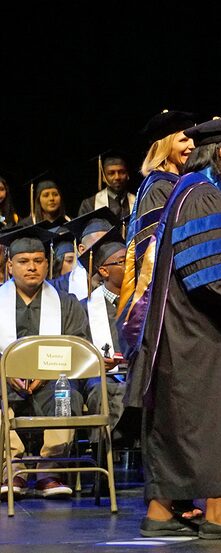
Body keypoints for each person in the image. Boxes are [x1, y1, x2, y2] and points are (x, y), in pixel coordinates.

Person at [124, 117, 221, 540]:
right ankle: (217, 514)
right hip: (199, 330)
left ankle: (159, 512)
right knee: (211, 417)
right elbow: (217, 278)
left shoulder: (185, 191)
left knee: (175, 420)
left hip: (176, 328)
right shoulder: (203, 196)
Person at [0, 224, 89, 499]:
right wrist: (6, 372)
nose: (31, 267)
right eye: (23, 262)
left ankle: (48, 470)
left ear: (47, 265)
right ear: (9, 266)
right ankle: (12, 469)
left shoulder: (66, 303)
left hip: (53, 383)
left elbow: (79, 349)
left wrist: (46, 373)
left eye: (38, 261)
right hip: (4, 383)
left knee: (68, 396)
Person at [117, 109, 197, 351]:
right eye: (183, 140)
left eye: (193, 139)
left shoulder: (178, 183)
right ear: (163, 147)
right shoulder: (159, 188)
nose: (192, 146)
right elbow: (150, 257)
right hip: (166, 301)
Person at [77, 227, 130, 447]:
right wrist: (96, 362)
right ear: (104, 271)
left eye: (131, 259)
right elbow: (77, 353)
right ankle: (103, 454)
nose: (130, 266)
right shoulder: (84, 308)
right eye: (122, 261)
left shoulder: (143, 303)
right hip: (101, 376)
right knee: (102, 388)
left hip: (137, 372)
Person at [77, 154, 136, 220]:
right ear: (103, 177)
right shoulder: (89, 205)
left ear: (127, 175)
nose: (117, 177)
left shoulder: (138, 202)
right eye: (111, 173)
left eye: (122, 172)